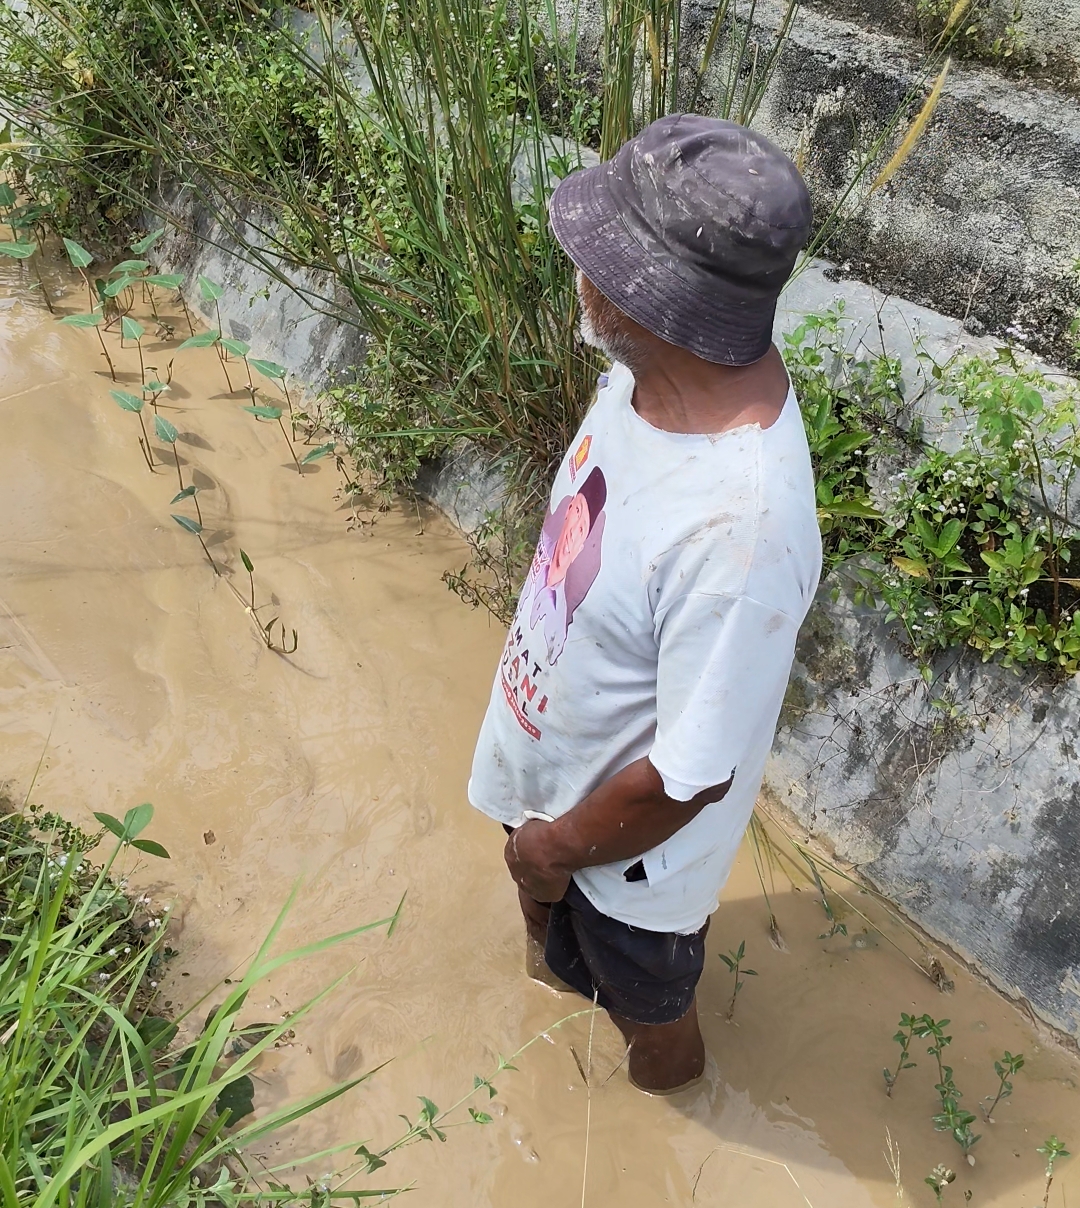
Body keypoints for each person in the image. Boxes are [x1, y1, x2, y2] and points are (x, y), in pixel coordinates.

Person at [468, 115, 822, 1094]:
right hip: (552, 782)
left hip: (631, 861)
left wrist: (551, 849)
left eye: (598, 256)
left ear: (654, 302)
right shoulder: (642, 373)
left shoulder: (740, 528)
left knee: (651, 1020)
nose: (577, 269)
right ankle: (546, 984)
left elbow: (688, 775)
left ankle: (671, 1126)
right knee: (548, 962)